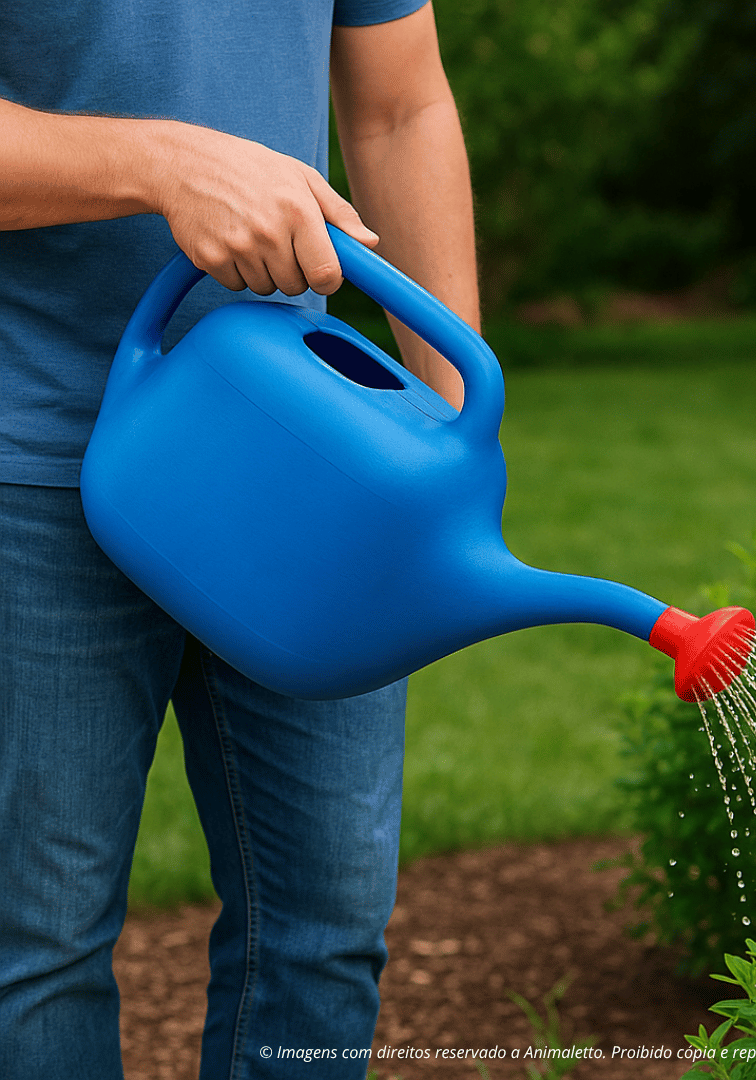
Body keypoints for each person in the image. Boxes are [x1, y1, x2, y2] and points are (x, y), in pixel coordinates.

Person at [0, 2, 479, 1076]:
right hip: (26, 458)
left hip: (300, 454)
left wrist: (453, 421)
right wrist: (158, 160)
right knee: (35, 951)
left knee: (326, 937)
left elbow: (401, 104)